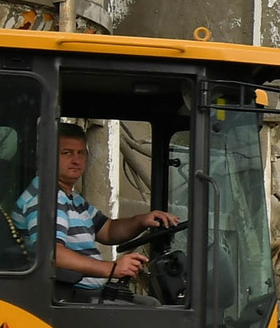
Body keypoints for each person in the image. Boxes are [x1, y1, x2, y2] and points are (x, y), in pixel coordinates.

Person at [14, 123, 179, 290]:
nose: (76, 160)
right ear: (47, 157)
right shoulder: (46, 198)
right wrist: (111, 268)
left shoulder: (71, 197)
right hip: (64, 296)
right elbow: (52, 254)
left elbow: (107, 230)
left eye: (81, 153)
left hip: (79, 294)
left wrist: (141, 221)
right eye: (67, 153)